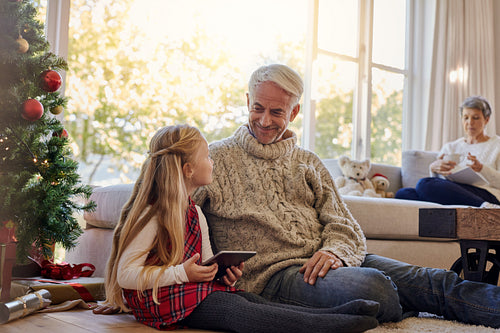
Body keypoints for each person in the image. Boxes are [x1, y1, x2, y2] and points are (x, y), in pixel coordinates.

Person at [192, 64, 500, 328]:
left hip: (332, 261)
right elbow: (171, 212)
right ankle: (396, 303)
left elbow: (344, 223)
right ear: (247, 101)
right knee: (376, 287)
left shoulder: (307, 162)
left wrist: (336, 252)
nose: (264, 120)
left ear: (295, 111)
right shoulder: (214, 159)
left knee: (434, 279)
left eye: (277, 111)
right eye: (258, 108)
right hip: (276, 276)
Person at [97, 124, 379, 332]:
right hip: (161, 300)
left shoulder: (194, 211)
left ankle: (339, 313)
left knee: (247, 299)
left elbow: (205, 262)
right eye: (207, 157)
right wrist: (183, 272)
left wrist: (221, 272)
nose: (213, 162)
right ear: (188, 170)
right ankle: (335, 325)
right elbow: (126, 275)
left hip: (190, 289)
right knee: (240, 313)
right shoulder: (154, 212)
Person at [396, 95, 500, 208]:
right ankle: (455, 212)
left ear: (487, 119)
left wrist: (481, 169)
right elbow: (439, 182)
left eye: (475, 118)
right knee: (403, 193)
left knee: (424, 184)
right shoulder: (450, 147)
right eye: (465, 117)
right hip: (454, 191)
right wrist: (434, 169)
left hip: (486, 193)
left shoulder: (497, 145)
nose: (470, 122)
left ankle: (486, 207)